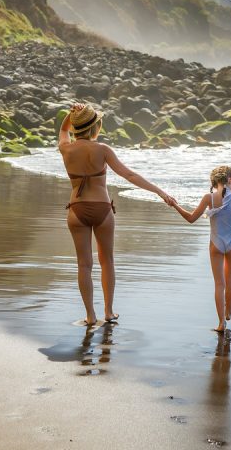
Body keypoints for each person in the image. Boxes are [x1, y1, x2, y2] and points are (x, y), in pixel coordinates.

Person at [58, 102, 174, 326]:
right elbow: (129, 175)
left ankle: (91, 316)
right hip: (102, 209)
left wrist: (70, 114)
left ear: (76, 127)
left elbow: (63, 131)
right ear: (95, 127)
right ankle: (109, 312)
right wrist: (159, 191)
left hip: (77, 209)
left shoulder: (67, 149)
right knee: (107, 261)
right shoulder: (103, 149)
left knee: (84, 264)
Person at [170, 166, 231, 332]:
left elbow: (191, 218)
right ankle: (228, 312)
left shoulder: (209, 198)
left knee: (219, 284)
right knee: (230, 279)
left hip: (216, 243)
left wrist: (175, 205)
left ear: (214, 182)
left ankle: (221, 323)